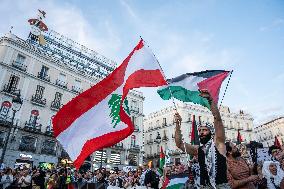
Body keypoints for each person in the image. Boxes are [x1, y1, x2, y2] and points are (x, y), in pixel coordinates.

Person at [174, 89, 230, 188]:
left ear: (211, 132)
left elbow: (217, 119)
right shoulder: (198, 150)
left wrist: (210, 100)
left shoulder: (219, 144)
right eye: (199, 131)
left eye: (204, 130)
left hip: (221, 186)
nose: (201, 133)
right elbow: (179, 144)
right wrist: (177, 125)